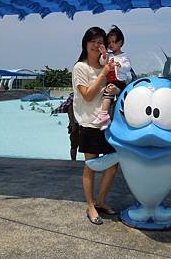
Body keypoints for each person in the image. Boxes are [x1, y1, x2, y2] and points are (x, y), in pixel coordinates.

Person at [73, 27, 120, 225]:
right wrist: (104, 74)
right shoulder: (80, 68)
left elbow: (116, 89)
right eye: (92, 41)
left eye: (100, 41)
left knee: (113, 165)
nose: (95, 45)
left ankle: (101, 200)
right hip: (89, 124)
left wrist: (115, 86)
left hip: (106, 124)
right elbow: (88, 95)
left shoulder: (106, 66)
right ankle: (90, 205)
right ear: (85, 43)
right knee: (91, 166)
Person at [92, 25, 132, 129]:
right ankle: (105, 119)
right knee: (107, 96)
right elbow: (102, 62)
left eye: (114, 42)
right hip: (110, 81)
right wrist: (104, 54)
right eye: (109, 42)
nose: (111, 44)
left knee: (109, 94)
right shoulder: (109, 55)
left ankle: (104, 115)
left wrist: (121, 66)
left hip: (120, 82)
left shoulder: (124, 56)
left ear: (120, 42)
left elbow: (128, 67)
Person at [51, 92, 79, 160]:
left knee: (74, 145)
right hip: (78, 124)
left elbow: (69, 108)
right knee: (75, 145)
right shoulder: (74, 96)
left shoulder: (73, 96)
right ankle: (74, 161)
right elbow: (70, 109)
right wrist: (72, 124)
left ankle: (73, 162)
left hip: (77, 124)